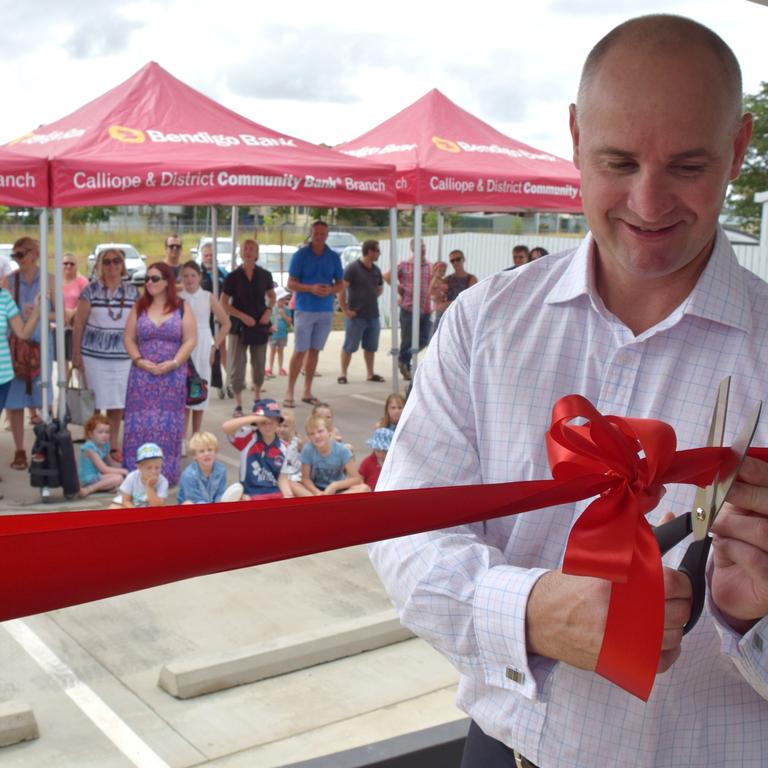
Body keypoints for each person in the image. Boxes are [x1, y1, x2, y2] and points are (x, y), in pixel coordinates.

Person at [370, 16, 768, 768]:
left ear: (739, 149)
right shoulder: (484, 322)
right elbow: (404, 535)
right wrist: (528, 613)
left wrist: (760, 622)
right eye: (618, 161)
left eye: (687, 167)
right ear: (576, 137)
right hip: (504, 751)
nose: (648, 205)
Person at [122, 262, 196, 486]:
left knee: (167, 425)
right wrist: (139, 360)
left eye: (154, 278)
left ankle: (165, 474)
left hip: (171, 377)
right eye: (147, 278)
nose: (149, 283)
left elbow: (190, 340)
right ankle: (135, 474)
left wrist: (174, 363)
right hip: (142, 376)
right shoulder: (139, 306)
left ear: (167, 282)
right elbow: (128, 338)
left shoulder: (182, 306)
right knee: (140, 424)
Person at [73, 247, 140, 460]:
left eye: (116, 261)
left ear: (122, 266)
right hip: (93, 356)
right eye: (107, 262)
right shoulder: (90, 290)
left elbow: (138, 324)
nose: (111, 266)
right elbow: (79, 323)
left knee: (117, 402)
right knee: (95, 402)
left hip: (122, 357)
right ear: (99, 266)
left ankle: (112, 445)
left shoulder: (132, 292)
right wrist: (76, 354)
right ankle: (93, 445)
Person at [5, 238, 53, 471]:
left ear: (34, 254)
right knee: (14, 402)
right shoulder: (10, 281)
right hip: (15, 347)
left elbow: (62, 315)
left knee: (43, 397)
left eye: (21, 254)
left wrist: (41, 313)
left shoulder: (49, 280)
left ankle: (42, 446)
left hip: (42, 344)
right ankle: (19, 449)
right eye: (14, 255)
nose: (17, 259)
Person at [284, 221, 343, 407]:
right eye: (316, 233)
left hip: (325, 310)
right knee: (300, 350)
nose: (319, 236)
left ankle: (307, 390)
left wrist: (331, 290)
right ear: (311, 234)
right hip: (305, 309)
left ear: (327, 235)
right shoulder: (300, 255)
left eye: (322, 233)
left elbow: (341, 284)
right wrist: (311, 288)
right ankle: (290, 391)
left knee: (315, 351)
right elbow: (290, 284)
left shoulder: (333, 257)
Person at [220, 239, 275, 416]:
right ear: (241, 253)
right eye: (245, 248)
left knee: (259, 363)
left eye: (252, 248)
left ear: (257, 253)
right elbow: (224, 303)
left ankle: (257, 398)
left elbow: (272, 296)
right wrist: (241, 316)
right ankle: (238, 403)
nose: (248, 251)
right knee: (238, 364)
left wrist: (268, 311)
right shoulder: (233, 276)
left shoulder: (265, 274)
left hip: (259, 324)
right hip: (238, 326)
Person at [179, 261, 230, 446]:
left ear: (200, 277)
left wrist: (215, 346)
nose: (189, 279)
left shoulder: (208, 297)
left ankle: (197, 436)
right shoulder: (178, 297)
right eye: (185, 276)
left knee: (200, 391)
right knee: (184, 394)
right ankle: (182, 439)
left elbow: (226, 323)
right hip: (183, 345)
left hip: (203, 345)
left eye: (193, 275)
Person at [221, 398, 291, 500]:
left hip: (274, 494)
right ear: (256, 423)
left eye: (271, 422)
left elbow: (283, 479)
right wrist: (255, 417)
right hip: (249, 494)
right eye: (263, 422)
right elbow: (226, 427)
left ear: (278, 422)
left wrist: (289, 496)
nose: (267, 426)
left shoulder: (285, 448)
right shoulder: (247, 437)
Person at [337, 239, 385, 384]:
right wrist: (345, 309)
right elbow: (341, 289)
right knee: (349, 346)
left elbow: (379, 287)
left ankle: (370, 373)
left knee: (371, 347)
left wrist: (375, 292)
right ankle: (343, 374)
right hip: (356, 316)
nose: (379, 254)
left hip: (373, 315)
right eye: (377, 250)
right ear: (369, 251)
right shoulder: (352, 268)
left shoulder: (376, 270)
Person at [383, 238, 431, 381]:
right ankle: (405, 364)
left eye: (423, 246)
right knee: (408, 338)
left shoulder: (429, 266)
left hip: (425, 308)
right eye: (419, 247)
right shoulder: (405, 265)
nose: (423, 249)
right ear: (413, 249)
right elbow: (386, 276)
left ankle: (403, 358)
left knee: (425, 338)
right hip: (408, 308)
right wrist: (399, 289)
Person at [299, 414, 369, 495]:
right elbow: (305, 478)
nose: (317, 436)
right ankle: (322, 501)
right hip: (315, 489)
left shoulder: (342, 450)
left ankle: (333, 501)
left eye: (320, 431)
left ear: (329, 431)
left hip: (338, 489)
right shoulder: (308, 449)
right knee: (293, 484)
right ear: (308, 437)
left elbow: (356, 479)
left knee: (364, 488)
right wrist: (316, 492)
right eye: (312, 434)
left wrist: (335, 486)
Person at [200, 242, 231, 398]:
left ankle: (229, 381)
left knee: (221, 348)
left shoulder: (222, 273)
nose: (209, 258)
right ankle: (208, 382)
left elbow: (230, 293)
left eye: (211, 255)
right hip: (202, 318)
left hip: (219, 316)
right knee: (206, 350)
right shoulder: (197, 273)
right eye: (206, 255)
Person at [78, 414, 127, 498]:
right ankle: (89, 489)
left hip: (99, 475)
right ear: (90, 434)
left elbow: (110, 463)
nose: (104, 435)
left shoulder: (105, 445)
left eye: (107, 432)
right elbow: (104, 469)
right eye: (100, 432)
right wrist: (123, 471)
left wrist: (125, 467)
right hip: (88, 478)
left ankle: (106, 487)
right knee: (118, 478)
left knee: (121, 477)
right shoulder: (90, 448)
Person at [110, 442, 169, 508]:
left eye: (157, 467)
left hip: (152, 511)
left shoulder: (163, 481)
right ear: (139, 467)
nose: (154, 471)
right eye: (149, 468)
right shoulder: (132, 477)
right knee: (113, 507)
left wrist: (149, 487)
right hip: (132, 508)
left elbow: (157, 506)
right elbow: (126, 501)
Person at [176, 431, 229, 505]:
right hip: (195, 506)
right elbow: (195, 499)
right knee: (188, 503)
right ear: (195, 456)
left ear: (216, 452)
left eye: (210, 450)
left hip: (211, 506)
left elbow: (220, 493)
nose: (206, 454)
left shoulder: (221, 470)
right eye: (201, 451)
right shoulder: (189, 475)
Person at [61, 252, 89, 378]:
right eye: (65, 263)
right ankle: (65, 391)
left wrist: (72, 312)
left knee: (77, 360)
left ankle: (81, 391)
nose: (68, 266)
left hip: (76, 326)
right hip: (59, 326)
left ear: (77, 266)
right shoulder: (56, 281)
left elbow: (87, 302)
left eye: (71, 264)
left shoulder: (82, 282)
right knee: (63, 361)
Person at [265, 287, 292, 378]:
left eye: (284, 299)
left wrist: (283, 314)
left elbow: (289, 323)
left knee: (280, 351)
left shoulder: (287, 310)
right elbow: (268, 321)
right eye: (281, 299)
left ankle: (281, 368)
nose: (283, 301)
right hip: (273, 335)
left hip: (283, 335)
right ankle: (270, 368)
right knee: (272, 351)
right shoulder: (271, 309)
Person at [358, 427, 392, 491]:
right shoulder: (367, 462)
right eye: (378, 450)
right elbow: (359, 479)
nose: (381, 453)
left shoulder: (393, 463)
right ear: (373, 448)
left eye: (385, 451)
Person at [429, 260, 450, 337]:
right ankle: (433, 337)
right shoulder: (434, 280)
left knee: (441, 319)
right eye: (440, 271)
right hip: (437, 303)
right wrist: (437, 294)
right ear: (435, 271)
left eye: (444, 271)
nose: (442, 273)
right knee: (436, 321)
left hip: (443, 302)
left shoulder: (443, 280)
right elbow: (430, 291)